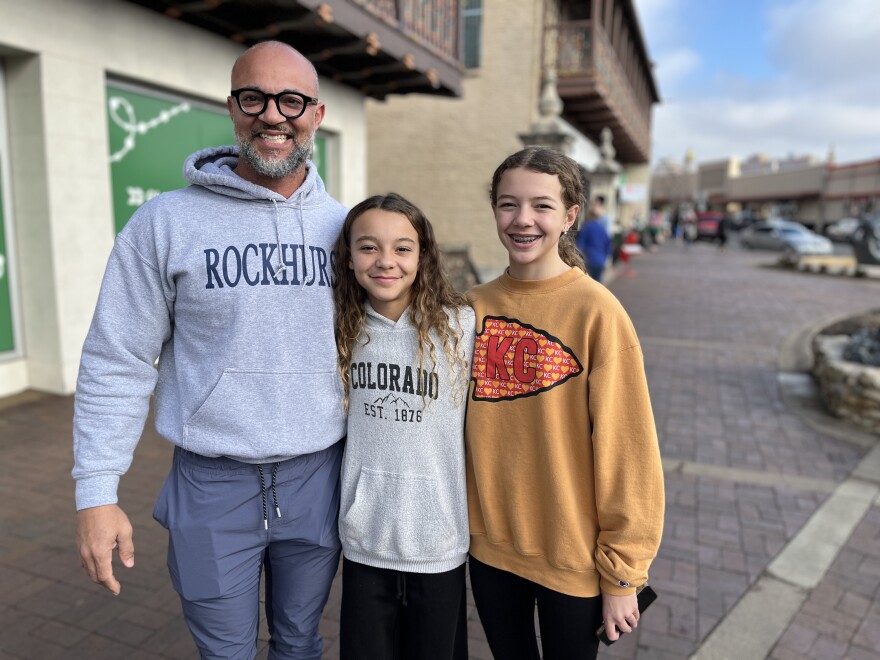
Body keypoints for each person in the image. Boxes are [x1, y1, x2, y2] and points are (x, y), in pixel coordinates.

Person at [73, 41, 347, 659]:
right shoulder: (164, 223)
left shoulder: (347, 228)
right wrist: (97, 490)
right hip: (211, 483)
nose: (273, 115)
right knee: (224, 652)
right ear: (231, 107)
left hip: (319, 476)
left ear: (317, 115)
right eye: (254, 98)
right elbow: (116, 358)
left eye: (292, 100)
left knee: (301, 643)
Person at [465, 147, 665, 659]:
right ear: (494, 210)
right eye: (508, 205)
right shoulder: (470, 308)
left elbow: (628, 449)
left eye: (542, 206)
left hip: (572, 555)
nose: (523, 220)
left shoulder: (597, 311)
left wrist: (623, 574)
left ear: (570, 215)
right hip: (489, 547)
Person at [332, 193, 475, 659]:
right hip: (365, 537)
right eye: (369, 247)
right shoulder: (339, 329)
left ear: (423, 256)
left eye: (402, 248)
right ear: (349, 258)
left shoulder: (461, 328)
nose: (385, 261)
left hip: (438, 541)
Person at [575, 207, 613, 283]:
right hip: (601, 260)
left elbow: (580, 244)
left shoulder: (587, 227)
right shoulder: (602, 228)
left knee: (588, 283)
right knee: (598, 282)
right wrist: (606, 256)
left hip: (589, 259)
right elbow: (609, 244)